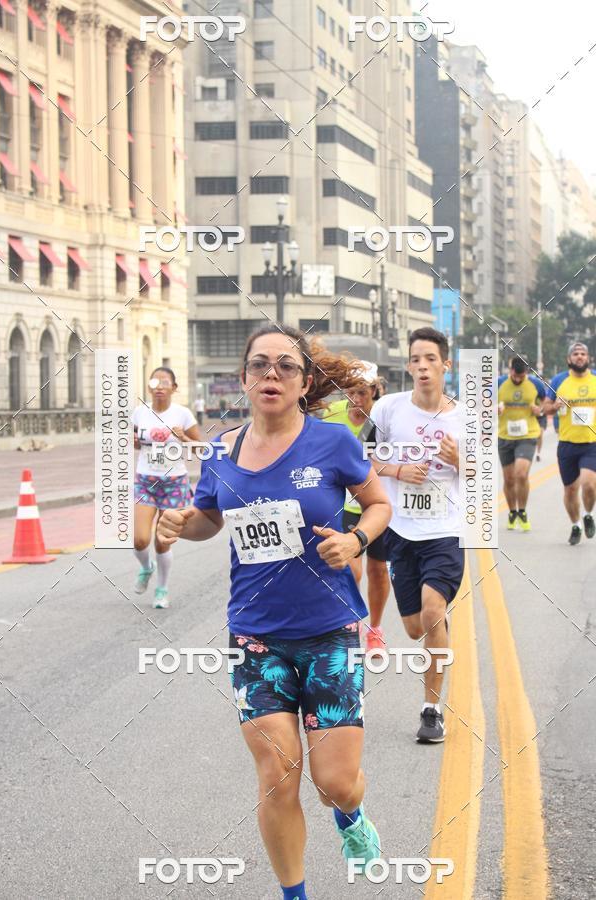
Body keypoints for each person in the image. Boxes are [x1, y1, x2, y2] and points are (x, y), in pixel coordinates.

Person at [157, 326, 391, 900]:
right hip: (255, 639)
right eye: (259, 365)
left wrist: (356, 539)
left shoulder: (334, 442)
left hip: (330, 631)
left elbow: (379, 503)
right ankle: (295, 895)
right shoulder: (220, 452)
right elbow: (209, 519)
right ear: (243, 378)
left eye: (285, 366)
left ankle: (349, 817)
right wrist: (181, 525)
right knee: (277, 779)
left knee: (334, 783)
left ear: (305, 382)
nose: (271, 375)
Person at [369, 327, 463, 743]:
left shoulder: (467, 417)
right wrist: (398, 470)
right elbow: (362, 458)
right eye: (415, 360)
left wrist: (461, 459)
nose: (422, 366)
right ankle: (437, 625)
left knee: (430, 611)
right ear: (408, 366)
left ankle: (431, 710)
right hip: (401, 529)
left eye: (430, 359)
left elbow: (485, 477)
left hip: (446, 529)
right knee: (413, 628)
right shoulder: (388, 409)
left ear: (446, 364)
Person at [320, 361, 391, 654]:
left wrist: (382, 469)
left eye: (362, 392)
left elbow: (393, 458)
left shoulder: (383, 419)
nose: (356, 399)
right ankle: (351, 622)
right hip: (346, 503)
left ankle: (375, 628)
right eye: (350, 392)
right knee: (351, 568)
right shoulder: (333, 415)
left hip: (378, 503)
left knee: (377, 570)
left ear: (374, 391)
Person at [131, 367, 201, 608]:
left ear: (174, 388)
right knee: (140, 540)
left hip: (174, 483)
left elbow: (200, 449)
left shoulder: (183, 415)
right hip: (146, 481)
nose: (159, 386)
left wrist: (185, 439)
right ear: (149, 387)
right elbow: (134, 442)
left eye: (165, 382)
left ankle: (162, 589)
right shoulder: (139, 413)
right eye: (154, 382)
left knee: (163, 541)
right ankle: (145, 567)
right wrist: (133, 442)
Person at [543, 342, 596, 545]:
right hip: (567, 444)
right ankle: (576, 525)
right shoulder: (559, 381)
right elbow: (544, 408)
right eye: (576, 354)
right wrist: (554, 405)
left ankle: (589, 513)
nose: (580, 356)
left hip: (592, 443)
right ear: (569, 359)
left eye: (583, 353)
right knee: (570, 490)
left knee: (589, 484)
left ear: (588, 358)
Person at [497, 356, 546, 532]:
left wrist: (539, 410)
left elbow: (545, 404)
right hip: (505, 436)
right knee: (509, 479)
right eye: (515, 376)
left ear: (526, 373)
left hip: (528, 435)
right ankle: (512, 512)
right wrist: (494, 409)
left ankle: (523, 511)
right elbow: (483, 405)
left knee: (521, 474)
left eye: (521, 376)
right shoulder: (499, 383)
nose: (518, 379)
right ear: (510, 371)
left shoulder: (536, 384)